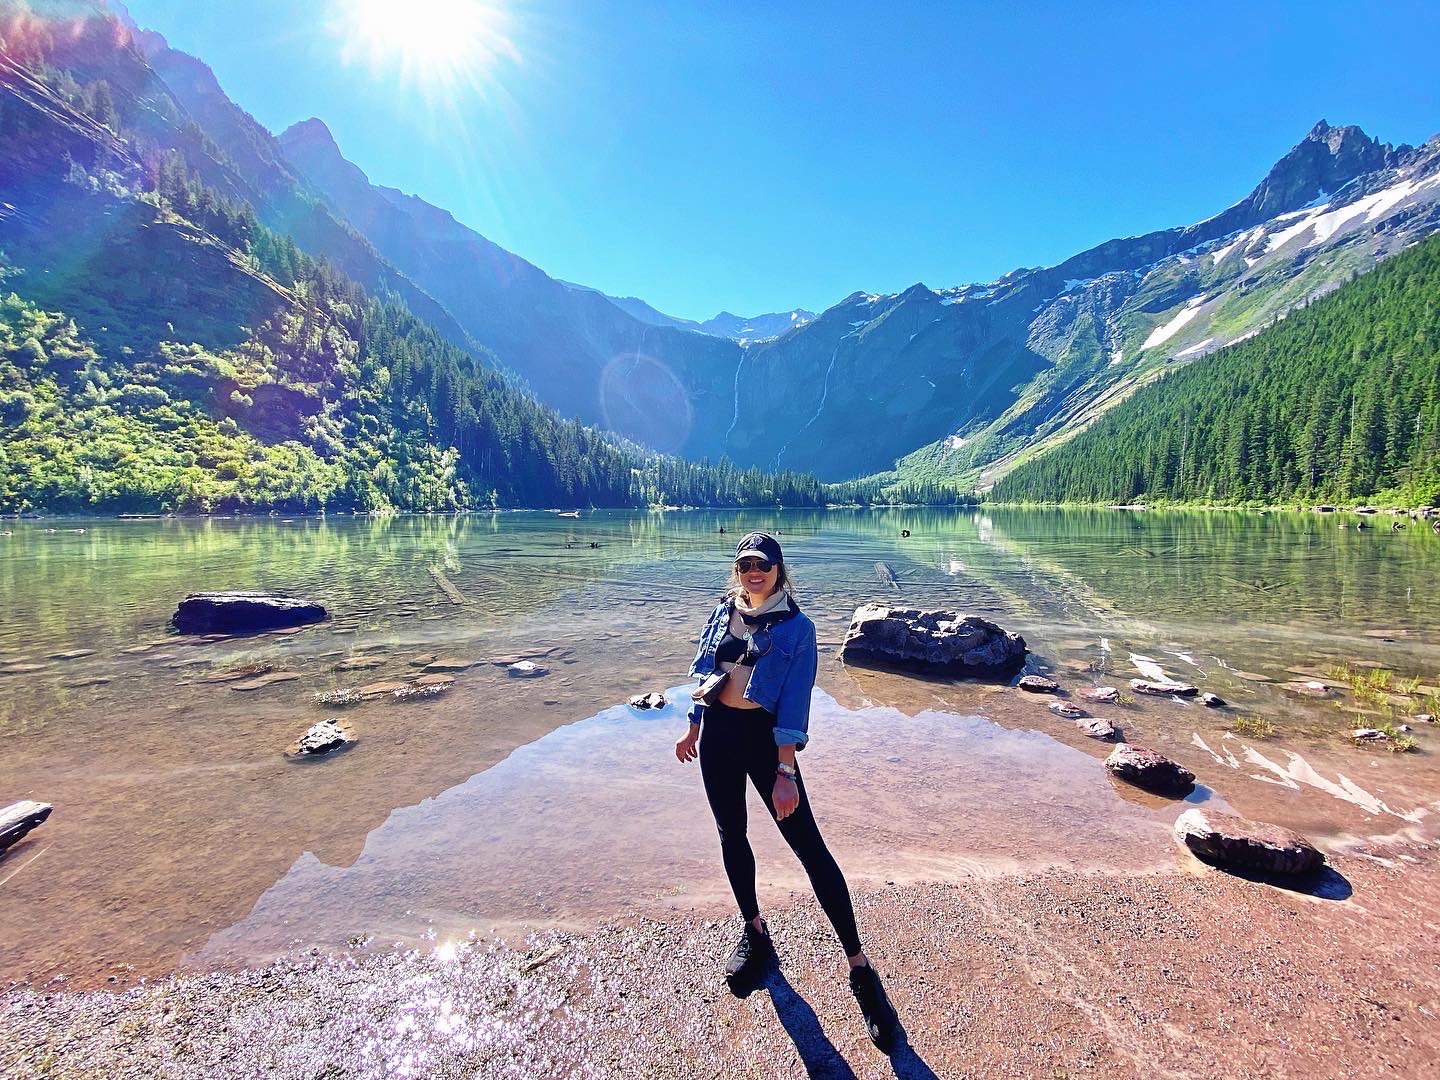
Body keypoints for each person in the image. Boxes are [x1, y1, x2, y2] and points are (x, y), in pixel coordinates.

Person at [674, 531, 900, 1050]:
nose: (755, 573)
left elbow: (795, 704)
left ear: (779, 571)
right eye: (747, 564)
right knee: (732, 835)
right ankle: (755, 936)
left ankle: (858, 965)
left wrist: (784, 772)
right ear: (738, 571)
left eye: (764, 565)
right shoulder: (722, 611)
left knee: (810, 849)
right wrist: (692, 724)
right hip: (717, 738)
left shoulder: (799, 630)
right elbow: (706, 671)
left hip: (764, 743)